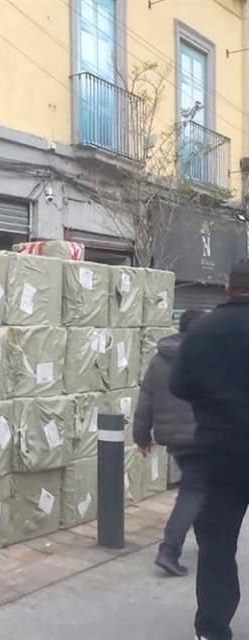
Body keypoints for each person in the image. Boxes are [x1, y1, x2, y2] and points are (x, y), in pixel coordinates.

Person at [171, 260, 249, 640]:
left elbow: (179, 386)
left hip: (218, 454)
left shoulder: (201, 331)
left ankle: (213, 629)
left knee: (217, 546)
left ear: (227, 289)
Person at [133, 308, 207, 576]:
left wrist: (141, 436)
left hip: (173, 438)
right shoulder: (206, 357)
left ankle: (203, 540)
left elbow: (146, 399)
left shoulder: (159, 358)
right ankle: (169, 550)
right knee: (194, 492)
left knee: (197, 489)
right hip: (201, 436)